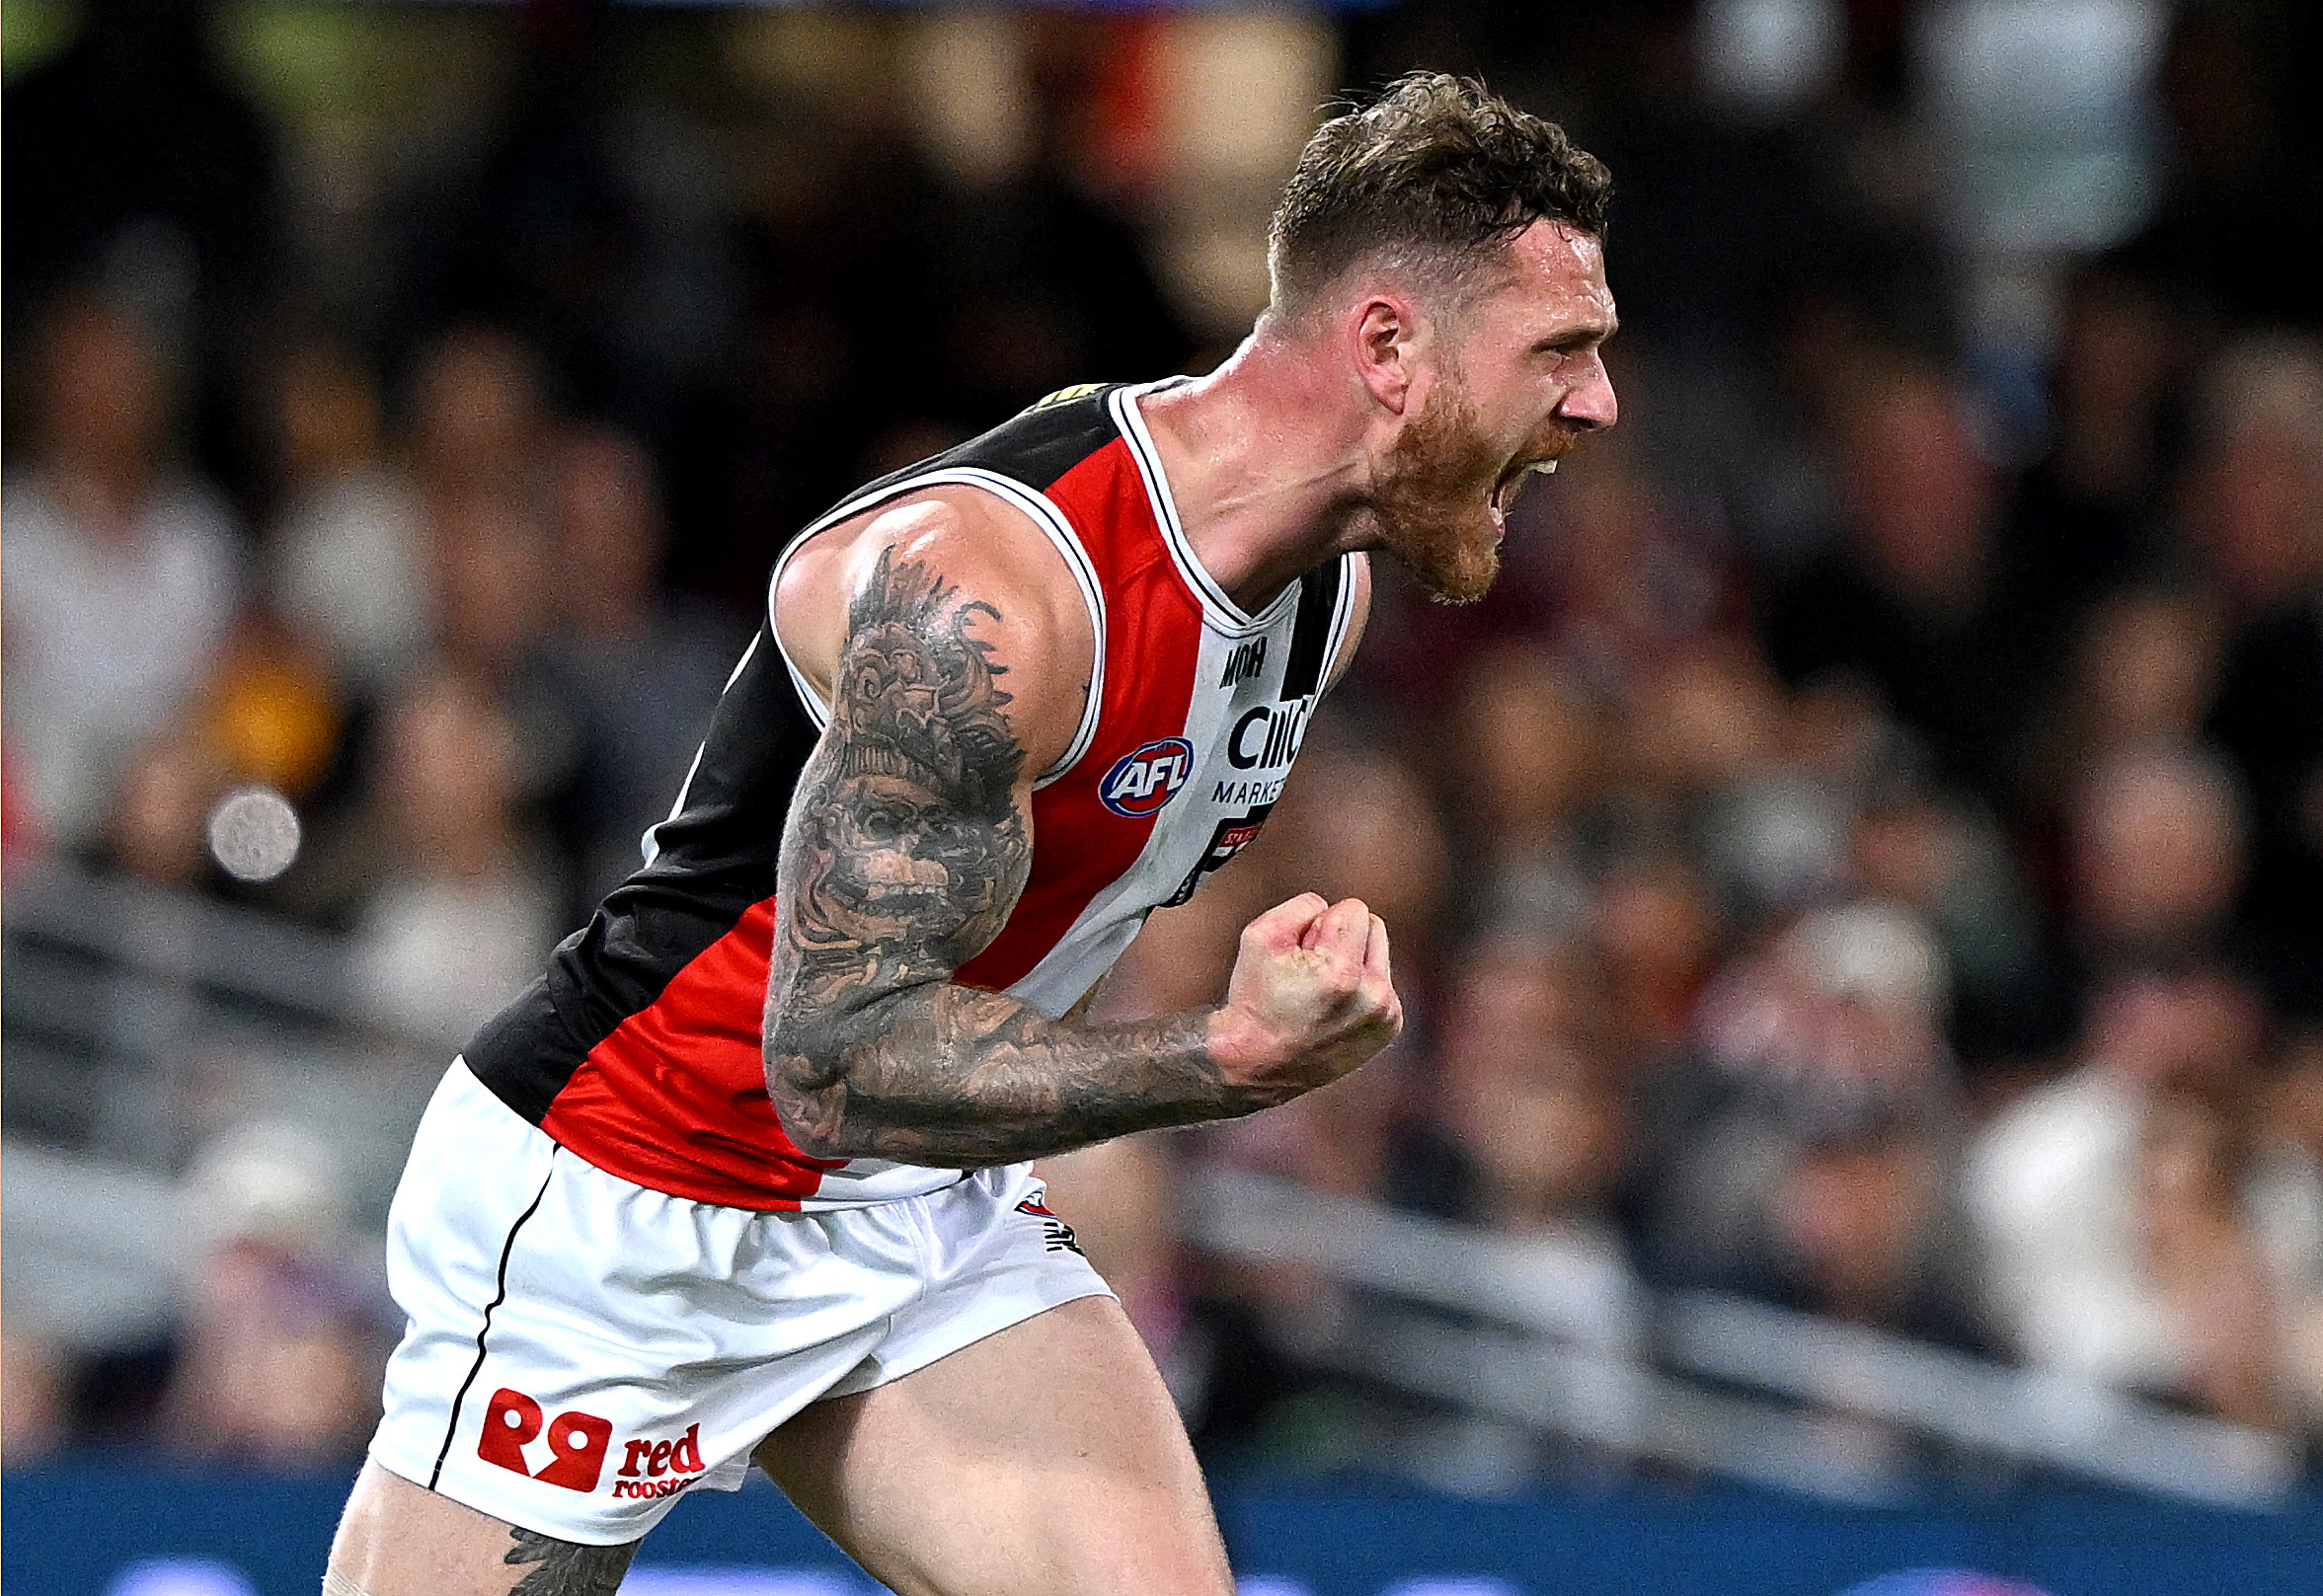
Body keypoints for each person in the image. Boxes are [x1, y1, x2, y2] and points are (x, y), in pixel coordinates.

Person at [326, 72, 1616, 1596]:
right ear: (1391, 348)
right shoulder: (997, 592)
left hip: (911, 1195)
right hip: (629, 1184)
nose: (1598, 404)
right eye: (1564, 349)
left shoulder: (1321, 599)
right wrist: (1227, 1057)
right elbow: (831, 1059)